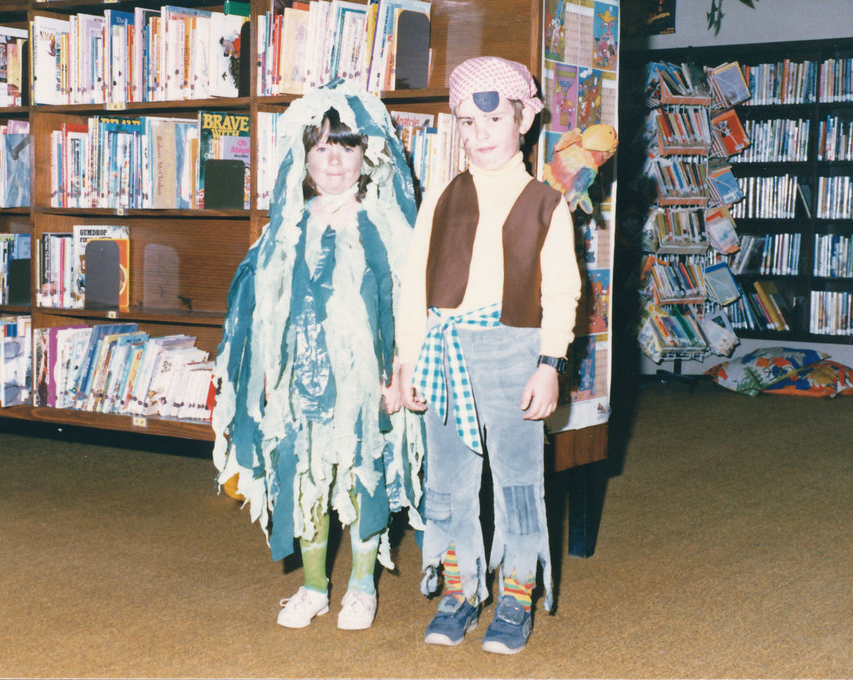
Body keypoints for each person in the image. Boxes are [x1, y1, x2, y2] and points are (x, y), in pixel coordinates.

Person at [211, 80, 425, 632]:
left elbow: (407, 304)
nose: (334, 159)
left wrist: (400, 371)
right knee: (305, 477)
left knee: (361, 477)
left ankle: (360, 585)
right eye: (323, 146)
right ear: (303, 154)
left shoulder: (385, 227)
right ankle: (312, 585)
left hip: (365, 384)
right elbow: (262, 310)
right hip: (297, 380)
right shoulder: (284, 230)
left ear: (367, 154)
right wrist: (260, 377)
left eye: (347, 146)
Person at [396, 56, 582, 654]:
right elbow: (413, 287)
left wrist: (550, 365)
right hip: (442, 350)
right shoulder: (440, 199)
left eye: (494, 119)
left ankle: (517, 591)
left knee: (518, 479)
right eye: (467, 124)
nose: (480, 135)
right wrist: (407, 361)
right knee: (447, 481)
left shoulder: (546, 204)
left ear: (523, 119)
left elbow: (562, 291)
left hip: (514, 352)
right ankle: (459, 587)